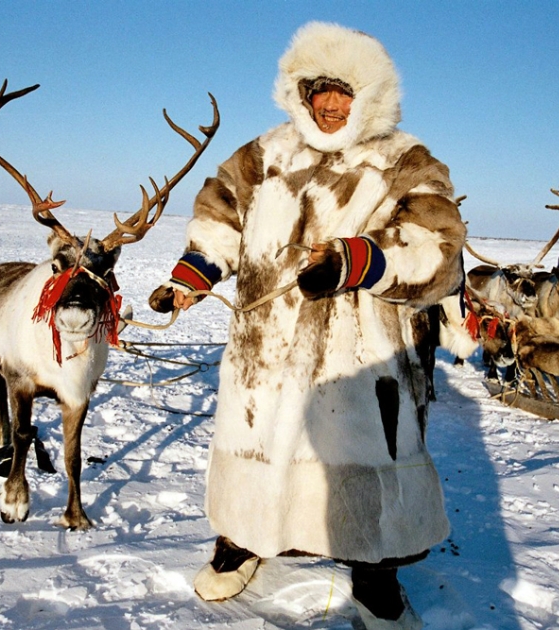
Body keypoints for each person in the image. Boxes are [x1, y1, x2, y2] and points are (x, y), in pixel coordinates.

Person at [148, 22, 465, 629]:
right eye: (316, 89)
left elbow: (439, 251)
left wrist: (357, 261)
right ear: (298, 92)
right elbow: (220, 215)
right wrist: (194, 273)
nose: (328, 103)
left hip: (359, 356)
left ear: (369, 96)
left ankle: (375, 578)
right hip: (262, 351)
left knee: (360, 465)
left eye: (342, 91)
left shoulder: (405, 161)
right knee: (257, 447)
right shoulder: (263, 155)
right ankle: (240, 542)